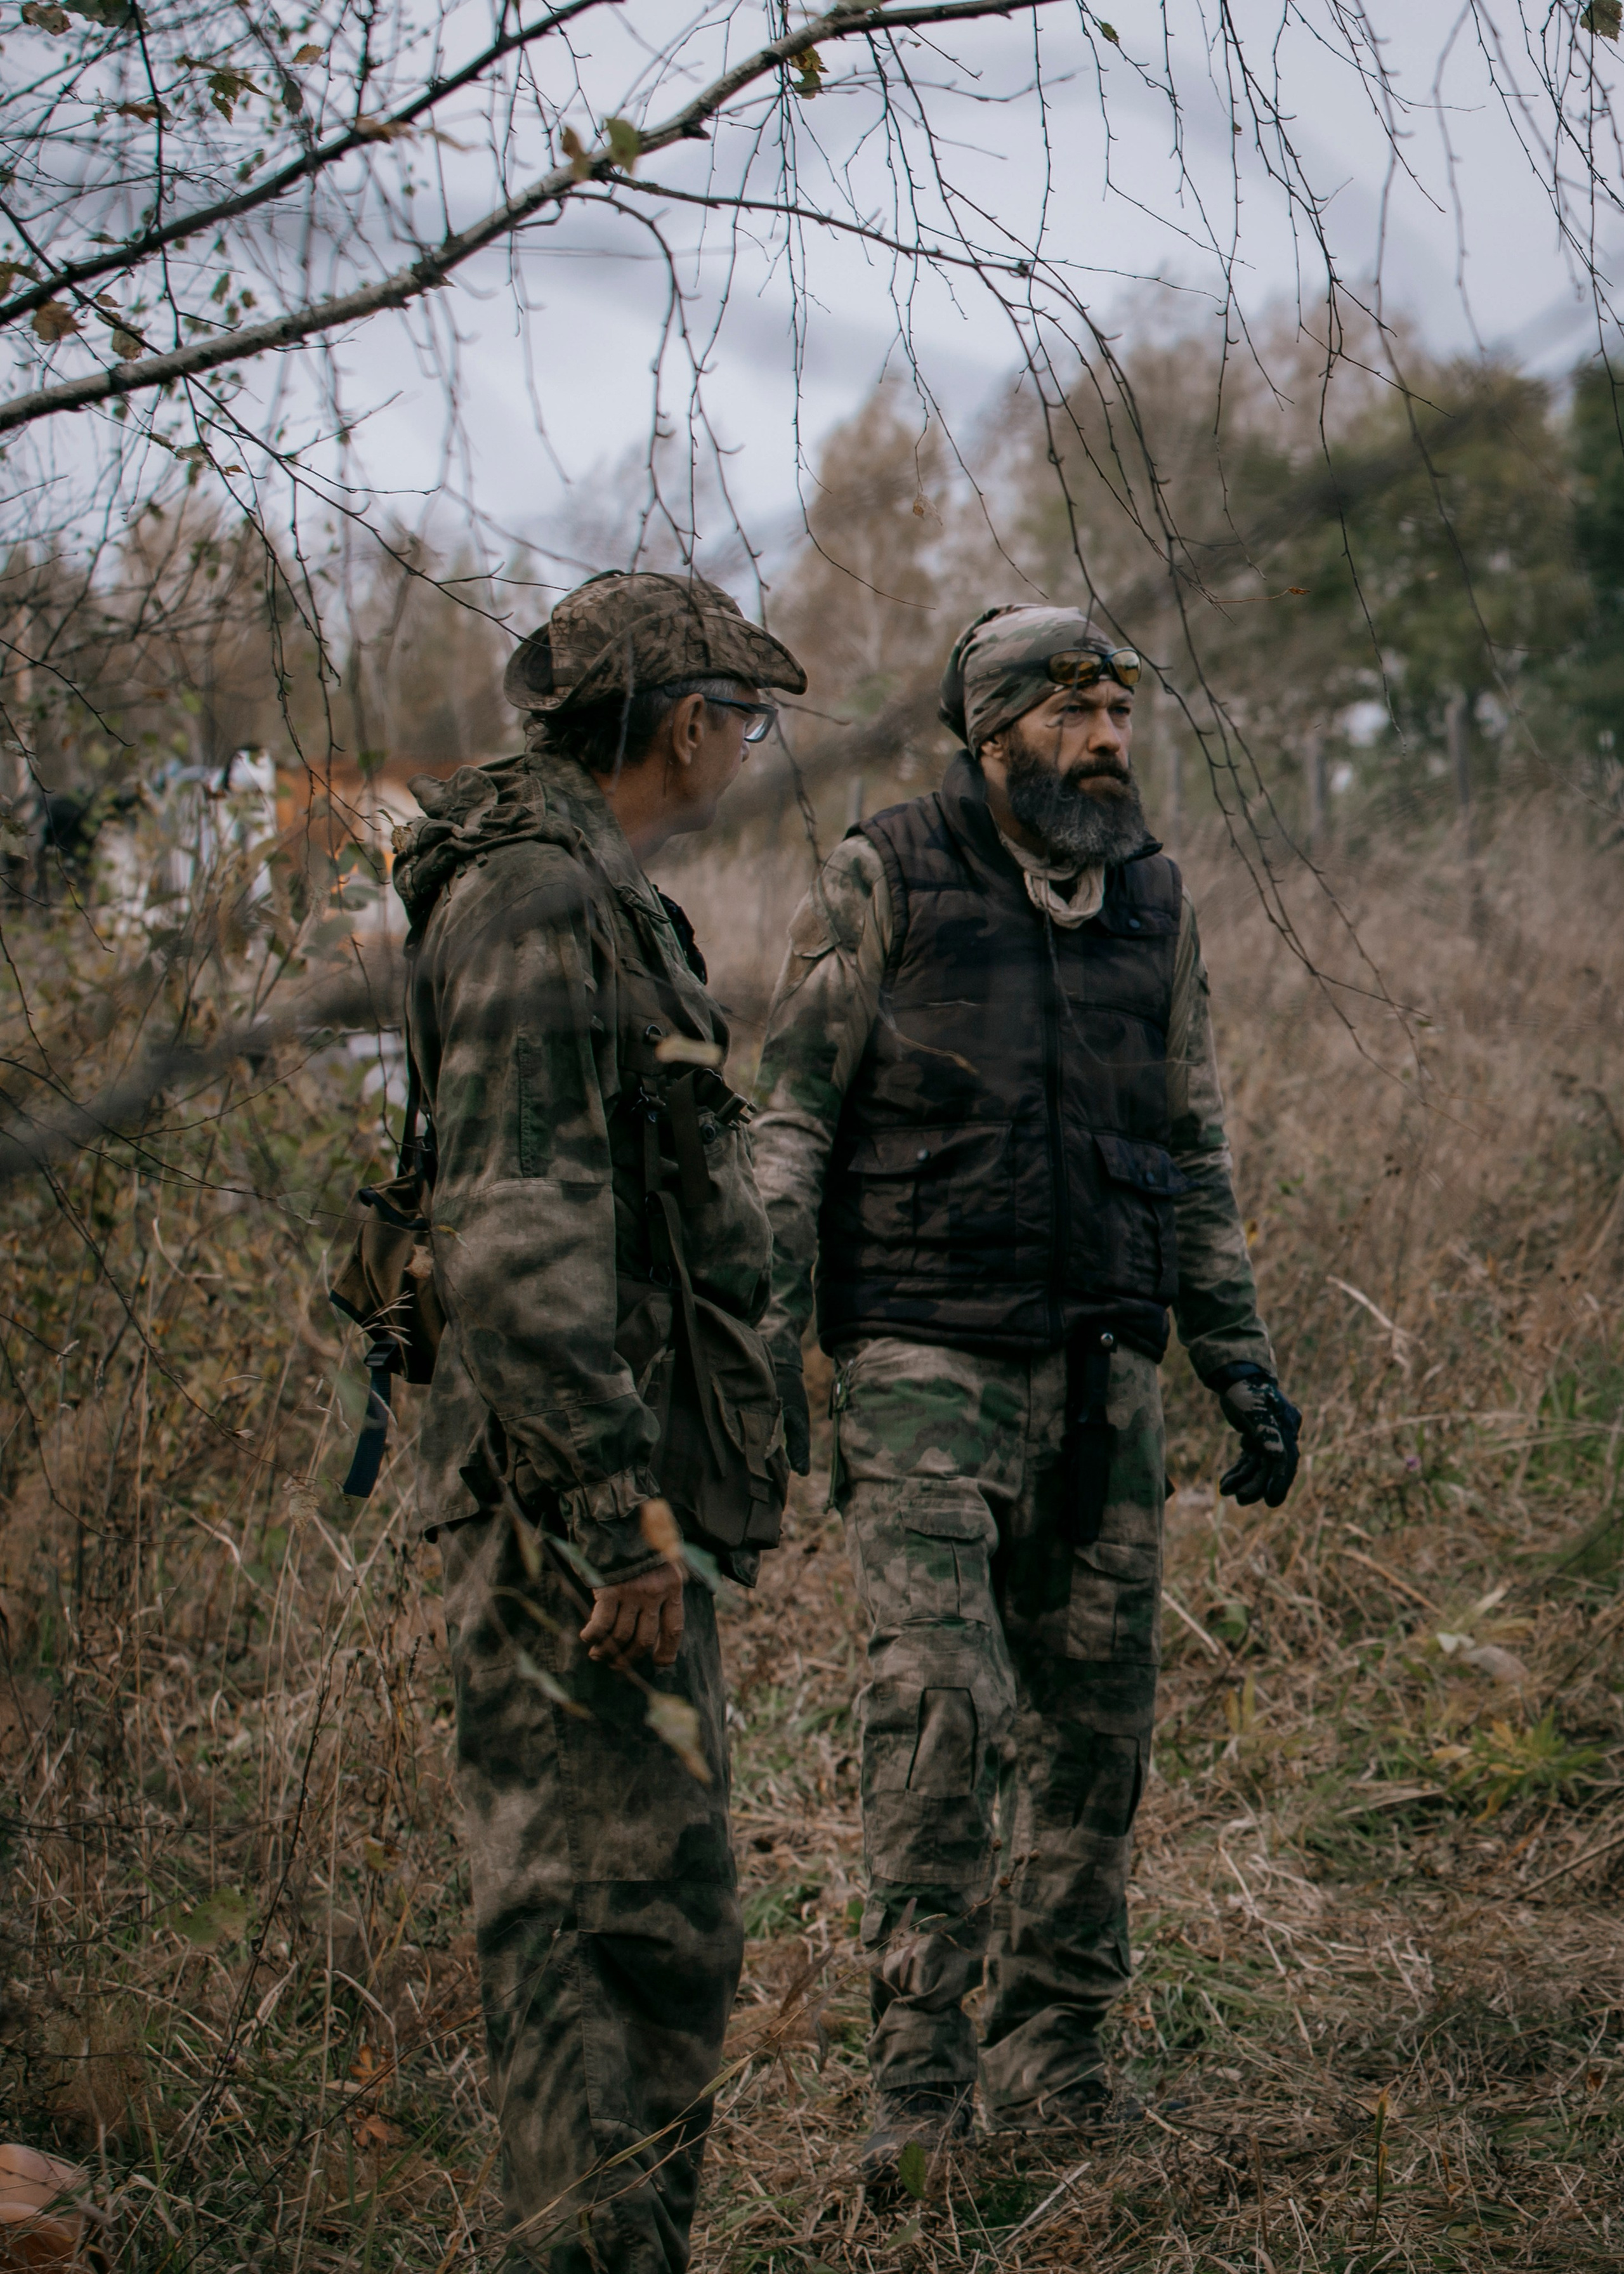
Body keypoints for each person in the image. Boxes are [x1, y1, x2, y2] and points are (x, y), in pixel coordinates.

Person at [749, 604, 1301, 2181]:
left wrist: (1235, 1354)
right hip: (921, 1358)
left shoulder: (1152, 900)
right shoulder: (885, 873)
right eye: (1074, 716)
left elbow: (1191, 1143)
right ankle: (919, 2094)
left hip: (1105, 1370)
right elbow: (787, 1121)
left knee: (1093, 1733)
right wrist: (763, 1347)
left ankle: (1055, 2072)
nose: (1108, 743)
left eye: (1119, 715)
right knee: (938, 1715)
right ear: (992, 737)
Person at [390, 571, 806, 2272]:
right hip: (572, 1522)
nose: (745, 751)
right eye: (744, 719)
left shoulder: (590, 893)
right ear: (687, 724)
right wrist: (611, 1511)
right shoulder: (535, 902)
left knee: (659, 1930)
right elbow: (517, 1231)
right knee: (593, 1932)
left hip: (604, 1499)